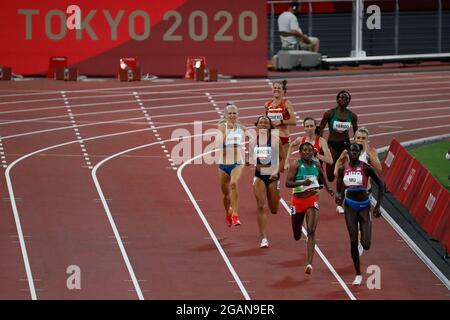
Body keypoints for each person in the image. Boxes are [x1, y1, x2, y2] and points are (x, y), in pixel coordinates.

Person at [336, 143, 384, 286]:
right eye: (351, 151)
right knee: (352, 241)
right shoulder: (342, 169)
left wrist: (378, 206)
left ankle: (366, 232)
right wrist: (339, 198)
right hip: (350, 205)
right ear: (348, 153)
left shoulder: (366, 168)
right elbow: (340, 185)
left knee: (366, 245)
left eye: (356, 151)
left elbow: (381, 185)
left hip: (364, 206)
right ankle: (358, 273)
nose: (353, 153)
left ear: (359, 152)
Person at [286, 142, 334, 274]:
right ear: (301, 152)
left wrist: (329, 189)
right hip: (297, 200)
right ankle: (299, 227)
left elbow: (322, 175)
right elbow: (287, 183)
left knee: (311, 230)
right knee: (296, 235)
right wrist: (303, 183)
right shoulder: (296, 164)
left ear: (313, 152)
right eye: (305, 150)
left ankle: (309, 264)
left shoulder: (316, 164)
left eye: (310, 150)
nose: (308, 152)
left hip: (311, 198)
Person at [318, 90, 358, 214]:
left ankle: (339, 198)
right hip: (332, 145)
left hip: (345, 146)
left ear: (349, 101)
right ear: (337, 99)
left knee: (342, 173)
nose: (344, 100)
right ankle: (329, 172)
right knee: (330, 177)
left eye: (347, 98)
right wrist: (320, 144)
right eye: (342, 98)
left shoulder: (352, 116)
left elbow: (356, 132)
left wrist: (356, 147)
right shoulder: (329, 114)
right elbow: (320, 129)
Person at [217, 103, 251, 227]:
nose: (232, 115)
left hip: (237, 162)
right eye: (230, 113)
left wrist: (250, 155)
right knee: (226, 196)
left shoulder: (241, 128)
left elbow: (253, 139)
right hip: (223, 164)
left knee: (233, 183)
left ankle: (236, 215)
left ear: (238, 115)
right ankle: (228, 213)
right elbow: (222, 141)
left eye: (234, 113)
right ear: (225, 115)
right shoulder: (221, 126)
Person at [252, 116, 281, 248]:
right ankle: (263, 237)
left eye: (265, 122)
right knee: (260, 205)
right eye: (261, 122)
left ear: (269, 126)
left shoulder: (275, 140)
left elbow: (282, 157)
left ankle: (272, 195)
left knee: (274, 209)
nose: (263, 124)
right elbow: (252, 159)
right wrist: (250, 162)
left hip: (273, 176)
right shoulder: (253, 141)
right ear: (257, 125)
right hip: (259, 175)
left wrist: (276, 171)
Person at [264, 80, 297, 173]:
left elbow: (294, 121)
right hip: (272, 137)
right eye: (275, 88)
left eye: (279, 88)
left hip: (283, 138)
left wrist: (281, 121)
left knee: (281, 168)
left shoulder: (286, 103)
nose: (276, 90)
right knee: (271, 168)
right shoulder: (267, 105)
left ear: (283, 91)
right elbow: (265, 122)